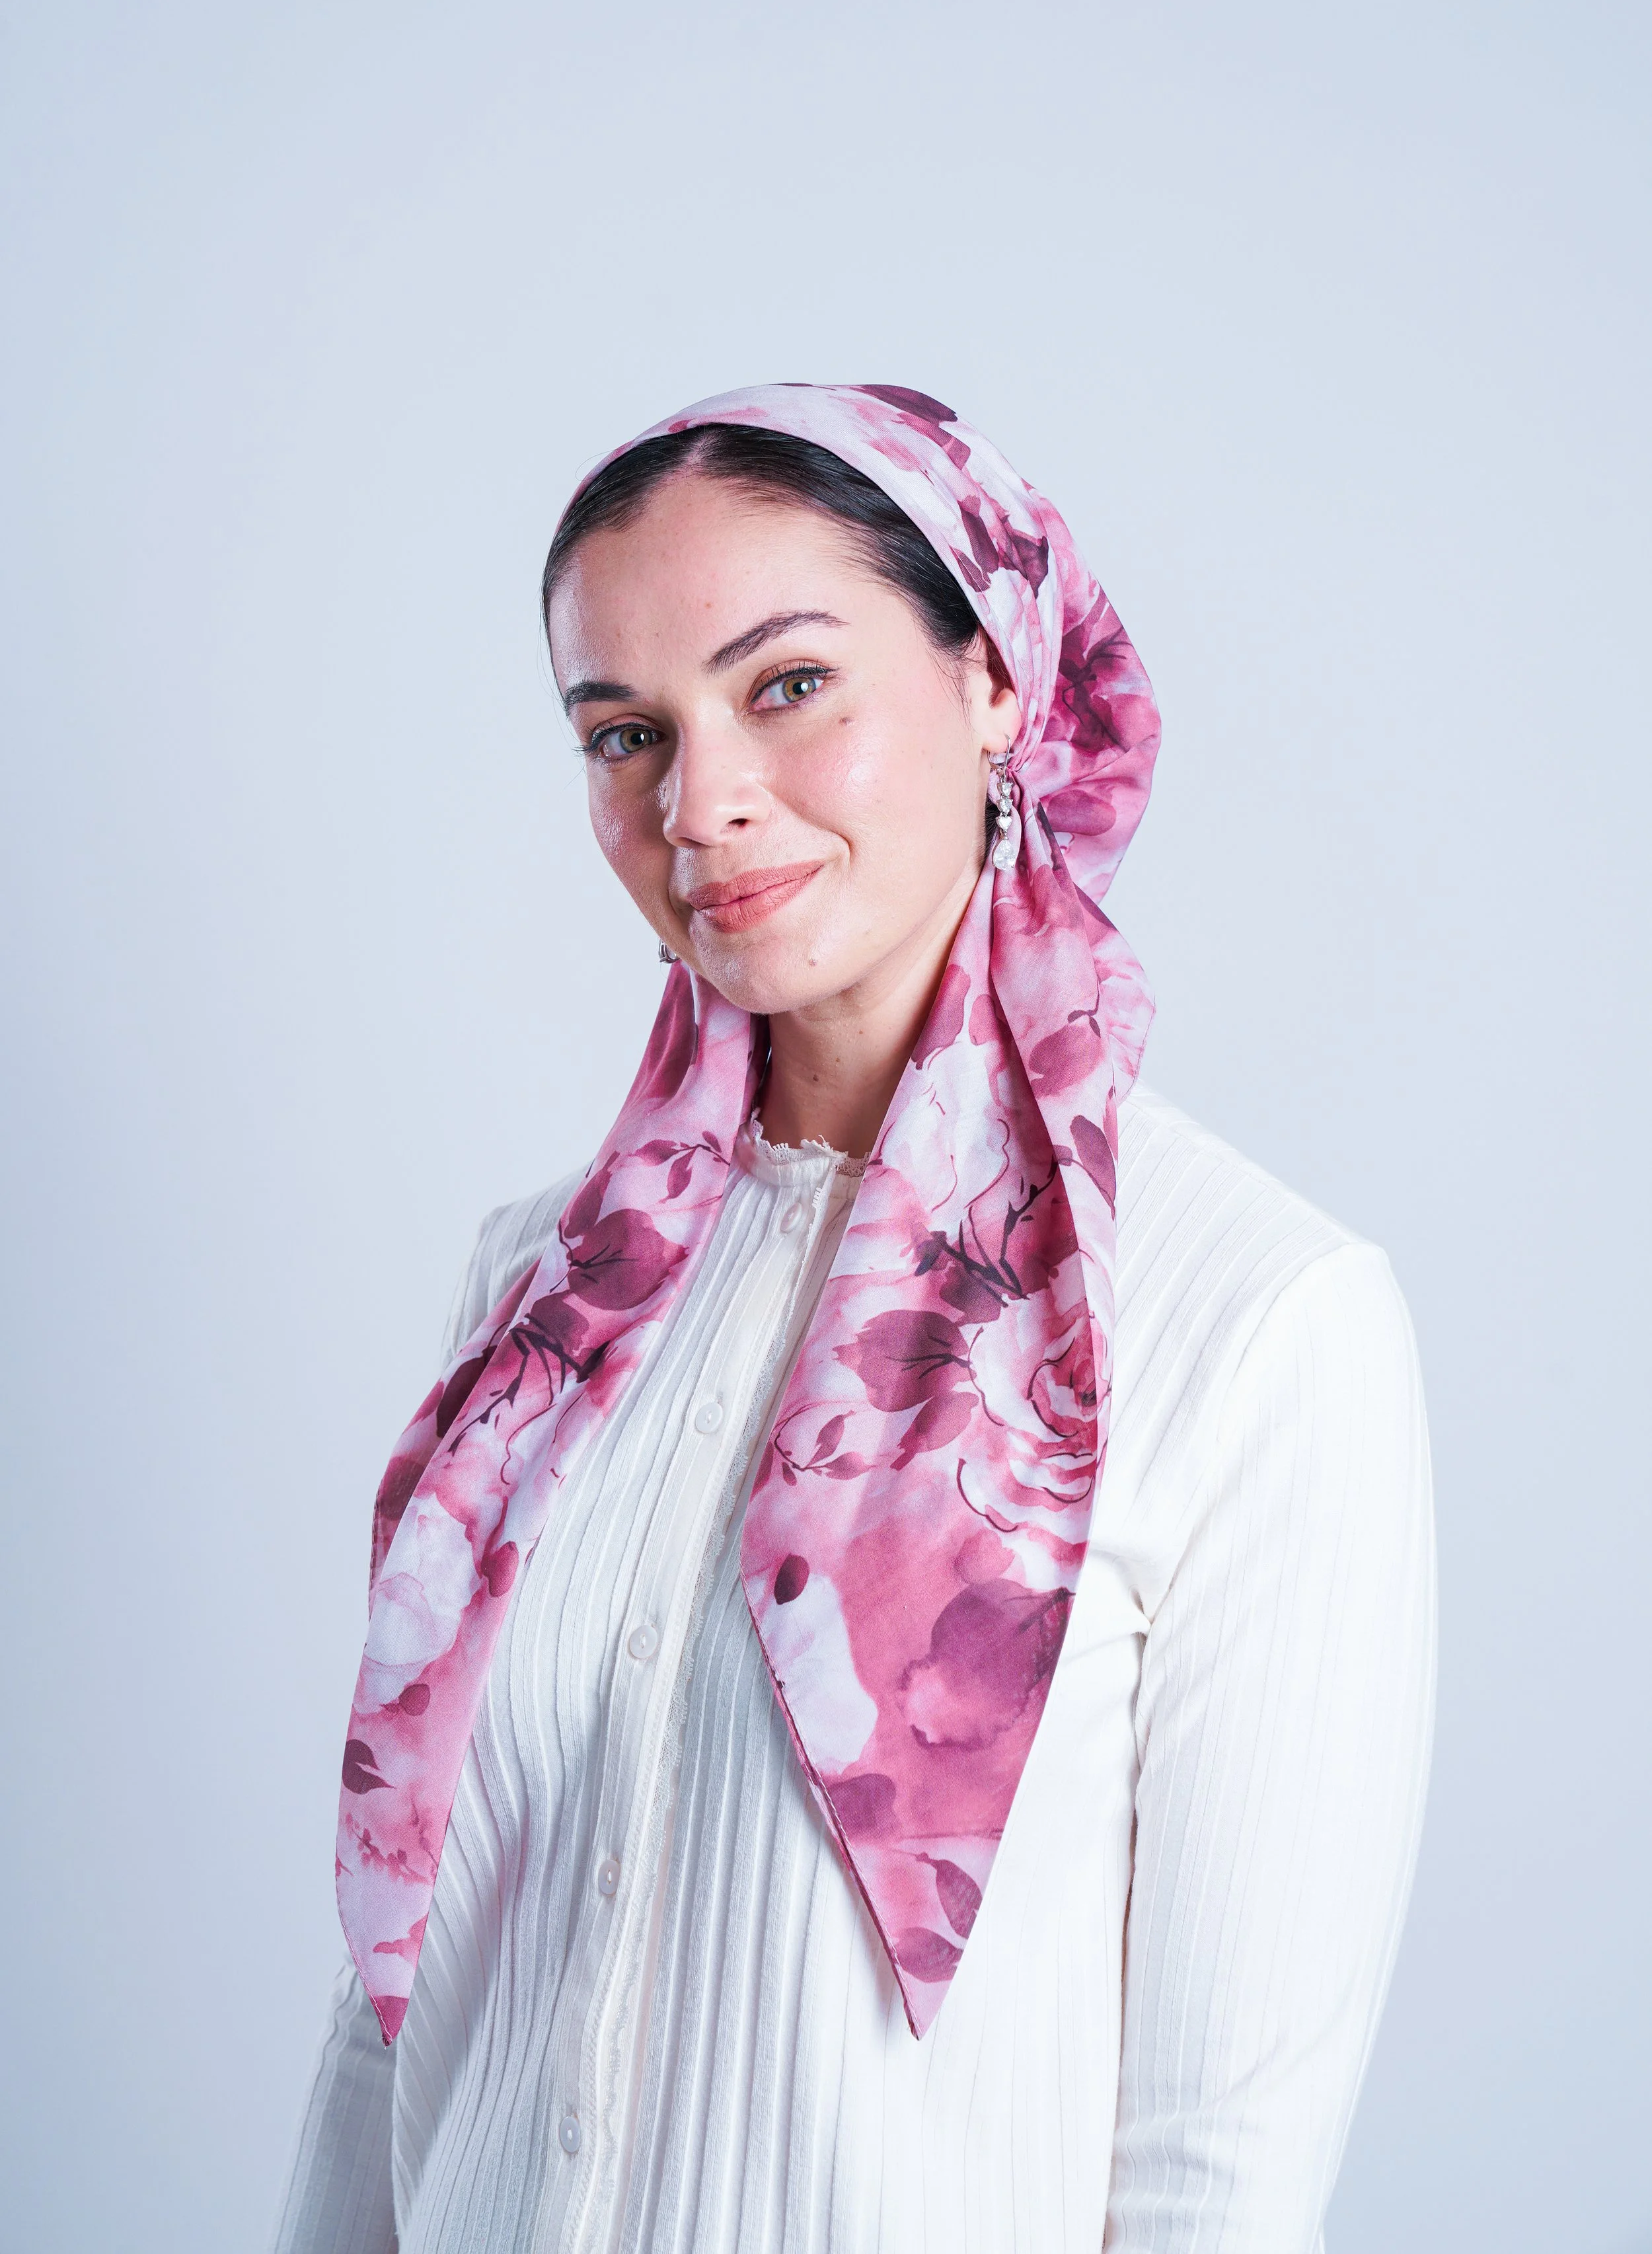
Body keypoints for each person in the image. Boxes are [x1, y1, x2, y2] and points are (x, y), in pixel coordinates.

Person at [271, 384, 1435, 2254]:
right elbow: (399, 1989)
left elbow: (1219, 2157)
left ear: (993, 682)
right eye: (623, 730)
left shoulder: (1252, 1315)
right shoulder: (537, 1294)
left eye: (787, 684)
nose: (698, 801)